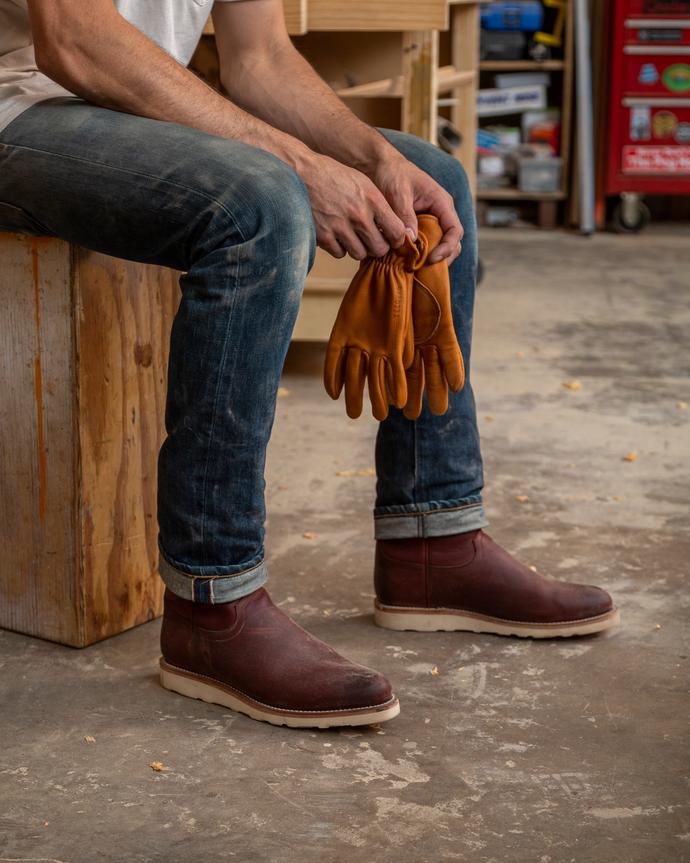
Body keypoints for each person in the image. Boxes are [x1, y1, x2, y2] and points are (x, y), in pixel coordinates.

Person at [0, 0, 619, 729]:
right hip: (20, 112)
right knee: (260, 204)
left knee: (428, 175)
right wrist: (297, 165)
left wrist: (373, 156)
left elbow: (259, 57)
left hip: (127, 111)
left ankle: (432, 541)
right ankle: (212, 600)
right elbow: (73, 42)